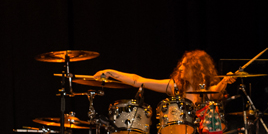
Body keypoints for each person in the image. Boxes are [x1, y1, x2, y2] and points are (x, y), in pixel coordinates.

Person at [94, 50, 234, 105]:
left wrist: (225, 81)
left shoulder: (206, 90)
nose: (179, 68)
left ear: (195, 69)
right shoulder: (175, 87)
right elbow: (138, 81)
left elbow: (216, 91)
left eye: (184, 65)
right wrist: (110, 72)